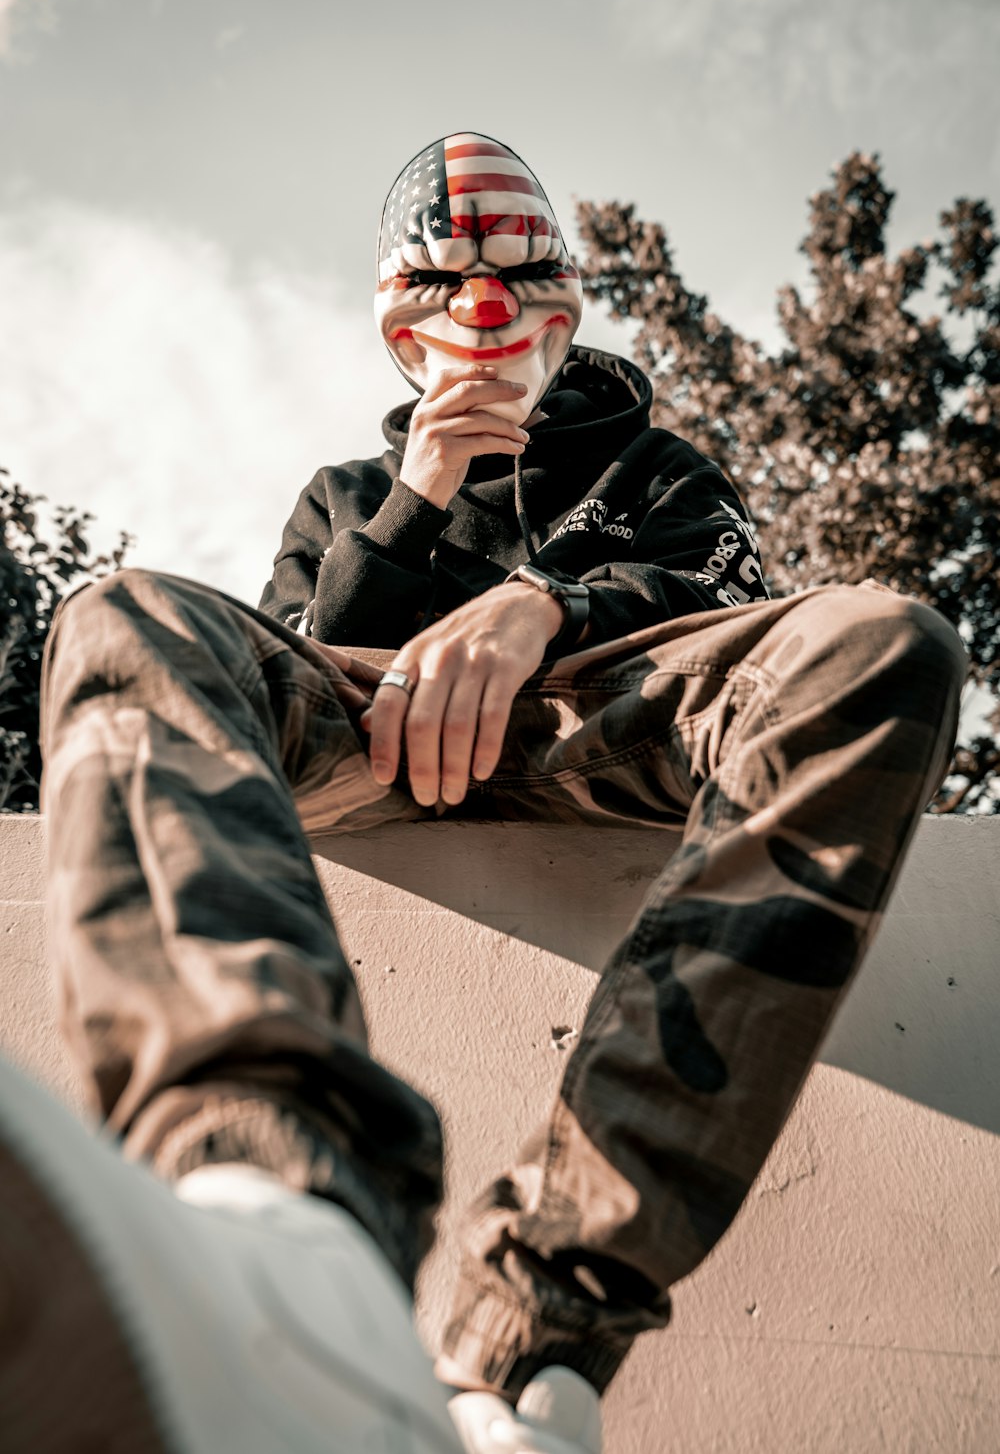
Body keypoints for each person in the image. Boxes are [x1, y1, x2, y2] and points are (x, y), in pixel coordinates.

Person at [16, 132, 966, 1453]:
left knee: (883, 643)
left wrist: (545, 604)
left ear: (563, 313)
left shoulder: (657, 471)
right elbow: (285, 653)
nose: (485, 315)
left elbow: (739, 610)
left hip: (601, 727)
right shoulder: (346, 494)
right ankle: (282, 1218)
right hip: (370, 735)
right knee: (124, 616)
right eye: (449, 289)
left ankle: (535, 1336)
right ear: (399, 325)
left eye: (517, 288)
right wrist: (416, 508)